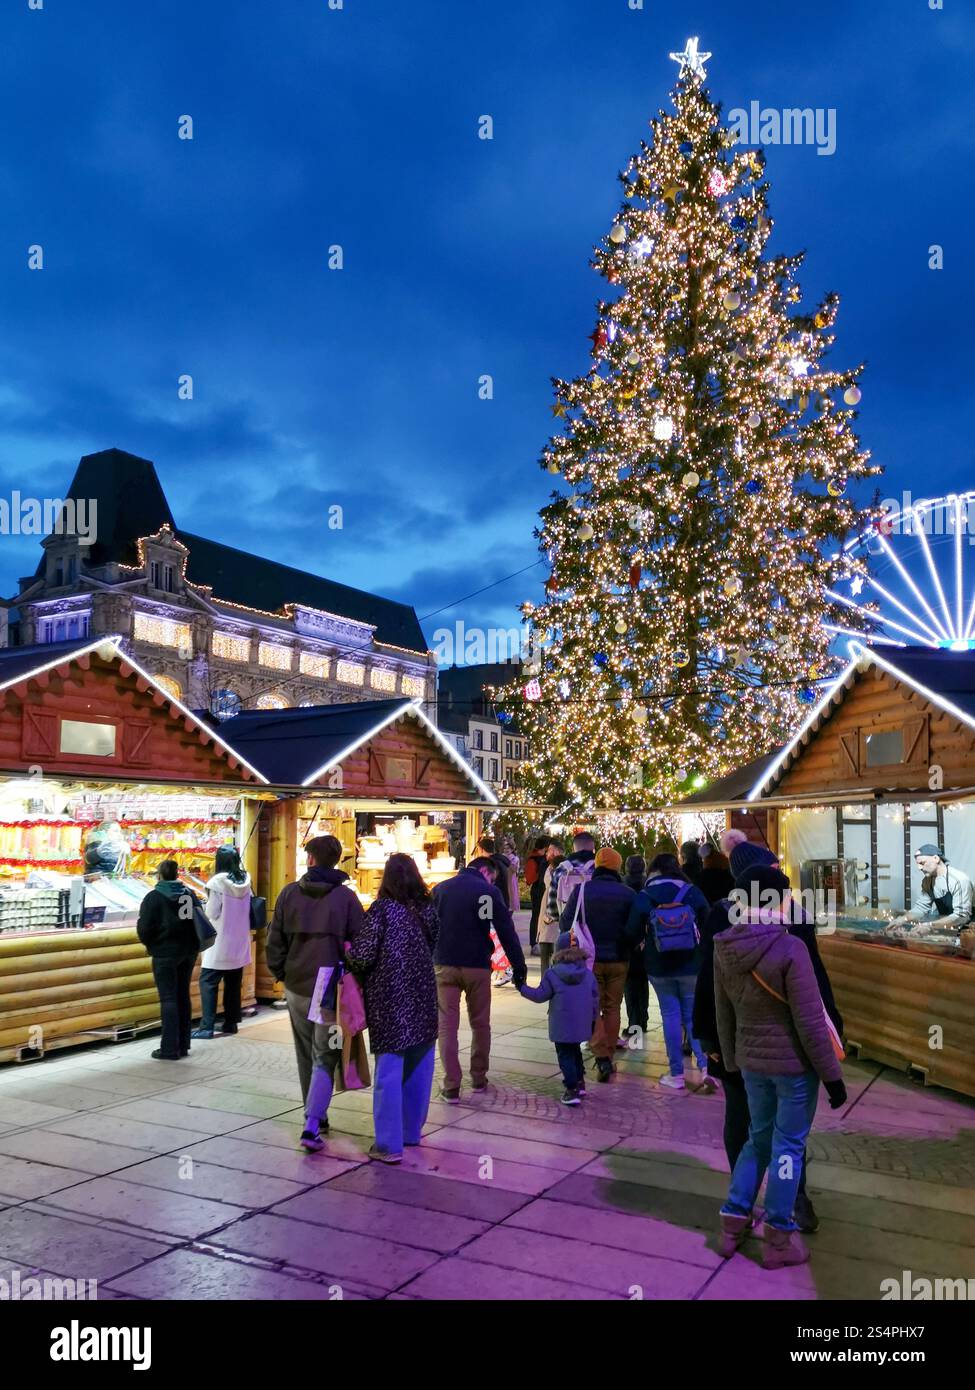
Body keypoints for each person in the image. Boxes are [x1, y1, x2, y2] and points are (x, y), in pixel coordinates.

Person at [693, 860, 842, 1235]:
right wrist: (832, 1075)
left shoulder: (723, 938)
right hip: (792, 1062)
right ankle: (781, 1224)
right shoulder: (791, 943)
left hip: (747, 1058)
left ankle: (735, 1213)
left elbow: (719, 1003)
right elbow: (810, 1016)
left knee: (756, 1137)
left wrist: (725, 1055)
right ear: (777, 899)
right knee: (788, 1144)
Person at [266, 834, 364, 1149]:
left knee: (306, 1051)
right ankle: (312, 1122)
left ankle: (315, 1115)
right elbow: (360, 944)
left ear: (310, 859)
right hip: (330, 984)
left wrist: (281, 972)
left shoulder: (288, 894)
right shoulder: (346, 899)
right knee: (326, 1052)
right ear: (335, 860)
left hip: (296, 983)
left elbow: (275, 940)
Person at [346, 854, 439, 1163]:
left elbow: (362, 955)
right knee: (420, 1068)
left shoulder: (381, 911)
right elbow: (434, 944)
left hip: (390, 1001)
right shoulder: (428, 909)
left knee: (389, 1073)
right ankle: (411, 1132)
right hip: (423, 996)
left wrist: (346, 953)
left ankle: (388, 1144)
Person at [432, 855, 527, 1102]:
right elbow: (506, 931)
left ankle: (451, 1084)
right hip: (477, 965)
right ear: (486, 871)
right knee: (480, 1023)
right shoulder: (487, 892)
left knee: (446, 1026)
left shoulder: (441, 889)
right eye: (493, 878)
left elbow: (429, 928)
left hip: (444, 964)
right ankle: (478, 1077)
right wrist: (519, 966)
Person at [628, 852, 713, 1090]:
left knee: (670, 1016)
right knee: (692, 1015)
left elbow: (632, 929)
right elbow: (709, 922)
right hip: (691, 963)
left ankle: (676, 1074)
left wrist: (641, 944)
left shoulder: (646, 894)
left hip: (659, 965)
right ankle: (706, 1067)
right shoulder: (691, 891)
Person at [559, 847, 637, 1082]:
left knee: (591, 1008)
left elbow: (565, 923)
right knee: (612, 1007)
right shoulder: (628, 893)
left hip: (589, 960)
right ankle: (609, 1057)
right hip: (619, 959)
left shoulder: (582, 891)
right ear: (617, 866)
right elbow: (634, 928)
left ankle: (601, 1056)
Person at [519, 930, 600, 1105]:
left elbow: (540, 995)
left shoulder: (553, 973)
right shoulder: (588, 973)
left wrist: (522, 988)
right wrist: (593, 1020)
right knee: (575, 1051)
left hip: (561, 1024)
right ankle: (580, 1082)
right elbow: (595, 999)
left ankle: (571, 1089)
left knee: (565, 1054)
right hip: (582, 1023)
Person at [137, 859, 200, 1061]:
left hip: (165, 953)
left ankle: (169, 1048)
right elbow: (196, 921)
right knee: (183, 995)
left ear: (160, 875)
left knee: (169, 999)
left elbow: (145, 928)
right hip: (188, 951)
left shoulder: (154, 898)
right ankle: (183, 1044)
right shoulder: (188, 895)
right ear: (176, 874)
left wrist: (151, 945)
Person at [192, 846, 253, 1040]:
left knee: (208, 982)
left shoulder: (217, 882)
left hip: (219, 943)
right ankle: (231, 1023)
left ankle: (207, 1027)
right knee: (233, 984)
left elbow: (212, 913)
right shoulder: (245, 879)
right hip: (239, 941)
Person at [887, 844, 974, 935]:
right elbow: (921, 909)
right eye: (918, 864)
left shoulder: (959, 880)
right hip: (949, 929)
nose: (919, 868)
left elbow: (961, 916)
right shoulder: (927, 881)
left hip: (969, 932)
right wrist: (902, 919)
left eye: (922, 863)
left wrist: (930, 925)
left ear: (936, 858)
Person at [622, 855, 649, 1042]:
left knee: (630, 984)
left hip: (627, 940)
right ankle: (643, 1018)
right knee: (642, 982)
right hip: (645, 940)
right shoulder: (648, 886)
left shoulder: (622, 886)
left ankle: (634, 1023)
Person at [547, 830, 597, 923]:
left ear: (574, 848)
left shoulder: (561, 869)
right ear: (593, 848)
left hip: (569, 929)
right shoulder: (600, 868)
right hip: (596, 926)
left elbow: (552, 910)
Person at [537, 838, 565, 975]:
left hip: (553, 921)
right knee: (546, 957)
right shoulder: (548, 868)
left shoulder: (561, 872)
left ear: (556, 852)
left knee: (554, 957)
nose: (547, 853)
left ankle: (549, 985)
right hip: (547, 922)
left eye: (549, 851)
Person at [524, 834, 551, 956]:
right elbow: (529, 878)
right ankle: (535, 943)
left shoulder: (533, 859)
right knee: (537, 916)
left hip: (539, 889)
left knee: (537, 916)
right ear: (546, 848)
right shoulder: (535, 859)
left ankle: (537, 943)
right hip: (539, 890)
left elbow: (529, 879)